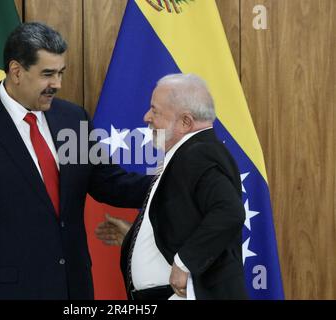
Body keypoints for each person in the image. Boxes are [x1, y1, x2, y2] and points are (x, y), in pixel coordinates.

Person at [0, 22, 150, 300]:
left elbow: (108, 182)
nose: (57, 85)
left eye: (61, 73)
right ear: (16, 71)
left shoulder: (73, 119)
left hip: (74, 289)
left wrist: (175, 182)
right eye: (47, 74)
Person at [96, 73, 248, 300]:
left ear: (185, 122)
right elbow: (186, 219)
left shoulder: (198, 154)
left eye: (155, 110)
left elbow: (230, 211)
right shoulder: (189, 155)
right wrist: (135, 237)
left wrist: (184, 263)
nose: (146, 116)